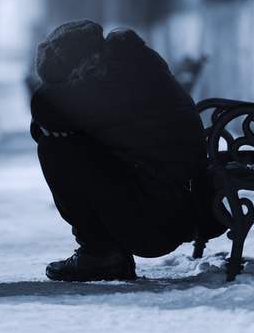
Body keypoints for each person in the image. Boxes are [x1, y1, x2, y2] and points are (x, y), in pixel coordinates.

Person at [30, 20, 226, 282]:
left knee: (56, 150)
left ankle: (100, 254)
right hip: (178, 206)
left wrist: (57, 99)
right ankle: (104, 252)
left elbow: (44, 107)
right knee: (69, 142)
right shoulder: (129, 66)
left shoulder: (113, 81)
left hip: (161, 220)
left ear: (81, 66)